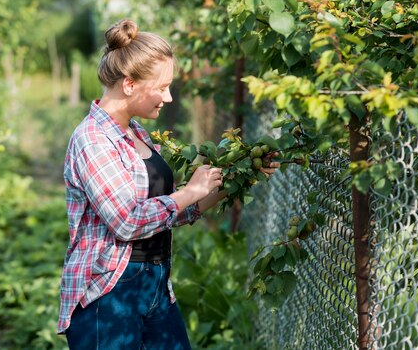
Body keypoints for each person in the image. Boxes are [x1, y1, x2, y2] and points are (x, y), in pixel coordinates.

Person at [57, 19, 279, 349]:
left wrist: (233, 180)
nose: (170, 97)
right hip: (109, 295)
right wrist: (189, 192)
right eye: (162, 87)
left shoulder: (136, 133)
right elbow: (128, 221)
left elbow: (169, 213)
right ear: (129, 84)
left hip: (156, 286)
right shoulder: (93, 141)